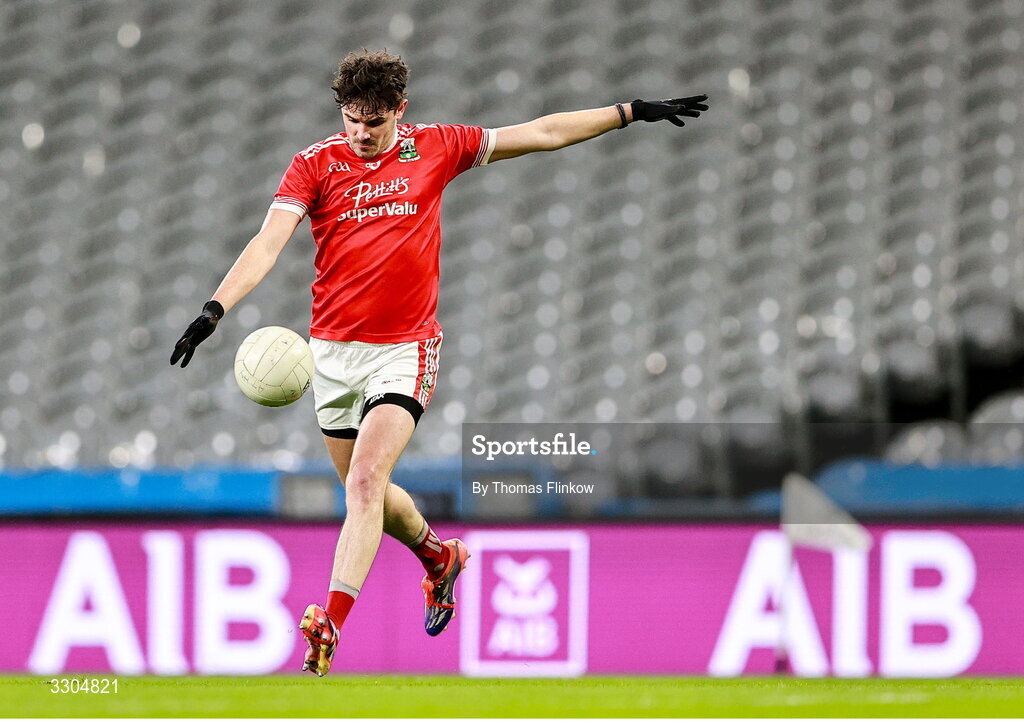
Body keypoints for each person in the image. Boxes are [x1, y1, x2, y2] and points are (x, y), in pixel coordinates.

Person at [171, 48, 707, 677]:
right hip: (333, 355)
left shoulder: (438, 147)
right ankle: (436, 557)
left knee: (367, 481)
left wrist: (629, 111)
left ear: (400, 109)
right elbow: (268, 241)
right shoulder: (313, 165)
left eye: (374, 120)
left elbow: (539, 133)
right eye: (351, 119)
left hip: (405, 348)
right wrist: (215, 309)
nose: (361, 133)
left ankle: (331, 626)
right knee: (363, 491)